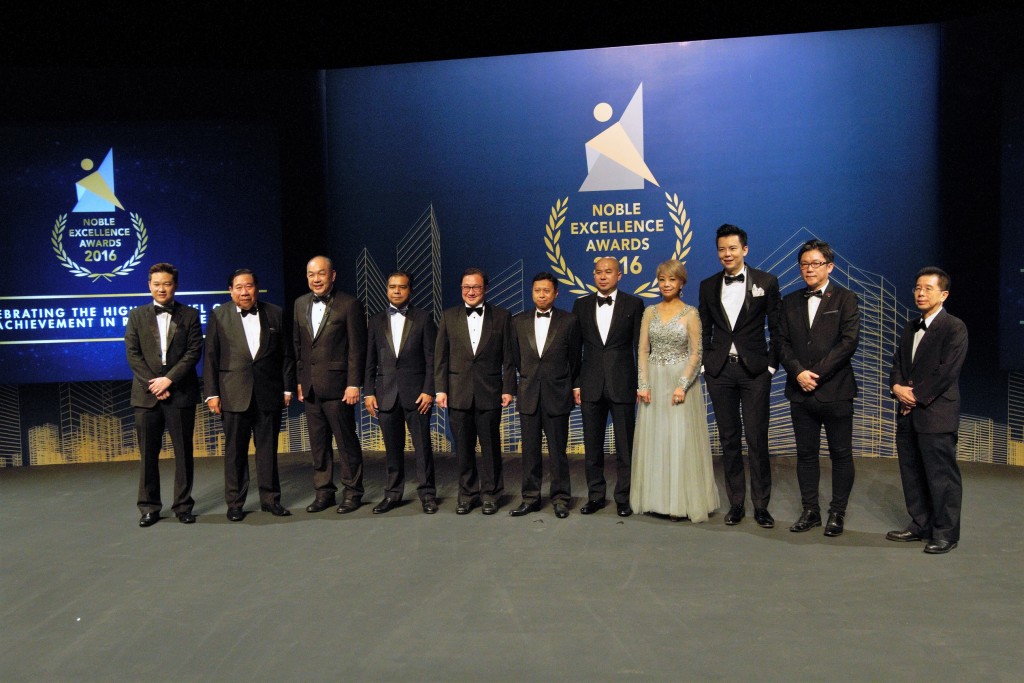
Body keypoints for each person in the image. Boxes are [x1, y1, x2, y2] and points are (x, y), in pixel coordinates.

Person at [698, 224, 781, 528]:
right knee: (729, 439)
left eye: (733, 248)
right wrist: (707, 365)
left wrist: (771, 366)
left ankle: (761, 505)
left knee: (757, 438)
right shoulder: (707, 285)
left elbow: (778, 328)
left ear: (744, 250)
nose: (727, 254)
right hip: (720, 372)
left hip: (755, 372)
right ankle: (737, 503)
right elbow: (703, 328)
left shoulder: (766, 282)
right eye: (722, 249)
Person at [777, 240, 860, 536]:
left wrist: (817, 374)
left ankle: (837, 513)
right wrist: (799, 373)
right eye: (804, 264)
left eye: (815, 264)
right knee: (806, 454)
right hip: (800, 392)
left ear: (829, 267)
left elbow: (848, 343)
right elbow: (782, 344)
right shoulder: (788, 302)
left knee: (841, 454)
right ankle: (810, 510)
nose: (809, 269)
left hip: (836, 391)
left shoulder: (846, 299)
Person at [887, 267, 968, 554]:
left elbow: (946, 373)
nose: (920, 293)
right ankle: (920, 523)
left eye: (928, 288)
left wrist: (914, 397)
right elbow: (897, 363)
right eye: (917, 288)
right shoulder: (910, 327)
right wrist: (896, 388)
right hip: (907, 413)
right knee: (911, 471)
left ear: (943, 294)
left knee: (941, 477)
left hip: (935, 413)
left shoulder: (954, 327)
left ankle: (946, 533)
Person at [205, 268, 296, 521]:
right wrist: (212, 393)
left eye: (249, 286)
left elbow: (286, 355)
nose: (245, 292)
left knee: (267, 451)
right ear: (231, 290)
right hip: (233, 393)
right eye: (239, 287)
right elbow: (210, 357)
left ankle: (271, 500)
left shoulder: (276, 313)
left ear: (257, 288)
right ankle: (235, 503)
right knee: (235, 452)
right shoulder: (219, 315)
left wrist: (287, 387)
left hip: (269, 393)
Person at [631, 260, 719, 522]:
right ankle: (656, 500)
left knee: (680, 441)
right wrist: (643, 385)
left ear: (681, 282)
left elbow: (697, 353)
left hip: (681, 383)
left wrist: (683, 385)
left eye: (672, 279)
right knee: (656, 440)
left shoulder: (691, 313)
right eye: (662, 279)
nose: (666, 284)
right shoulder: (650, 312)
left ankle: (681, 502)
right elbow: (643, 350)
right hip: (654, 382)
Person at [124, 263, 203, 527]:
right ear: (149, 285)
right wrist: (153, 383)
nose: (161, 288)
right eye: (156, 283)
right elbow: (133, 354)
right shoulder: (136, 315)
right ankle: (149, 507)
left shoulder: (190, 315)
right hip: (146, 397)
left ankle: (183, 505)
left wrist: (169, 379)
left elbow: (194, 352)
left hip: (180, 393)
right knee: (148, 454)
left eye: (166, 283)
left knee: (183, 453)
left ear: (175, 286)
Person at [435, 267, 516, 515]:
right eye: (466, 287)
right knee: (463, 448)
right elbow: (440, 358)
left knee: (491, 447)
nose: (471, 292)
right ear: (461, 289)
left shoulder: (502, 316)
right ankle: (467, 494)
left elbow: (509, 358)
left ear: (485, 289)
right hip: (458, 393)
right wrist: (440, 390)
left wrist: (508, 389)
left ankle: (491, 493)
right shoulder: (449, 317)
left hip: (490, 392)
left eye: (476, 287)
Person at [293, 255, 367, 514]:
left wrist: (354, 384)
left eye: (321, 274)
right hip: (311, 388)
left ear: (332, 275)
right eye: (311, 274)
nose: (316, 279)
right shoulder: (300, 303)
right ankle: (324, 492)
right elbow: (299, 347)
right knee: (319, 445)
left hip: (339, 388)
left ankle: (353, 492)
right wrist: (301, 381)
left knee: (346, 442)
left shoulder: (350, 304)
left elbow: (357, 349)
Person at [572, 257, 645, 517]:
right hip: (590, 384)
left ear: (619, 275)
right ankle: (595, 496)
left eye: (609, 272)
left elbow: (640, 347)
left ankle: (624, 497)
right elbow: (574, 348)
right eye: (599, 272)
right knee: (592, 446)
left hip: (623, 384)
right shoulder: (580, 305)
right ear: (593, 275)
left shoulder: (634, 303)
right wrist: (576, 383)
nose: (603, 276)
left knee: (626, 447)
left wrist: (641, 383)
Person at [364, 271, 438, 514]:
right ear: (386, 290)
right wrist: (368, 393)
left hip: (417, 396)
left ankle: (427, 494)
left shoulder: (424, 318)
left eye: (402, 287)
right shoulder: (375, 321)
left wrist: (429, 391)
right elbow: (369, 361)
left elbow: (432, 360)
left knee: (422, 448)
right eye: (392, 287)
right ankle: (393, 494)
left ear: (410, 291)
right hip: (385, 394)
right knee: (391, 450)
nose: (396, 291)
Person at [509, 272, 581, 519]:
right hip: (529, 395)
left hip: (557, 395)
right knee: (529, 452)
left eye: (546, 290)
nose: (541, 294)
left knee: (558, 452)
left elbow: (574, 360)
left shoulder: (569, 321)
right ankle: (530, 498)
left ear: (556, 293)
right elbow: (516, 359)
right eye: (537, 290)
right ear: (532, 292)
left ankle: (561, 498)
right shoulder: (518, 321)